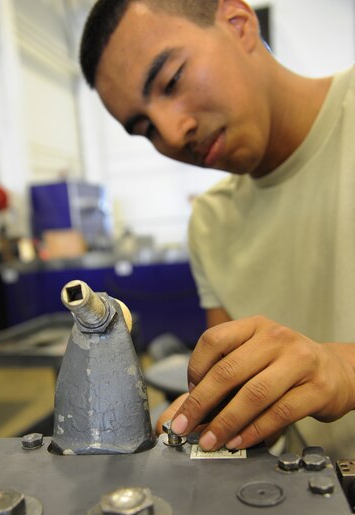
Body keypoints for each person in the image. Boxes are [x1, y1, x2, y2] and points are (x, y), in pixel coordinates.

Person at [79, 0, 355, 459]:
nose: (171, 132)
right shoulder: (210, 222)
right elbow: (231, 381)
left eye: (171, 81)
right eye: (145, 128)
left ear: (238, 23)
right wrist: (213, 413)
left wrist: (343, 367)